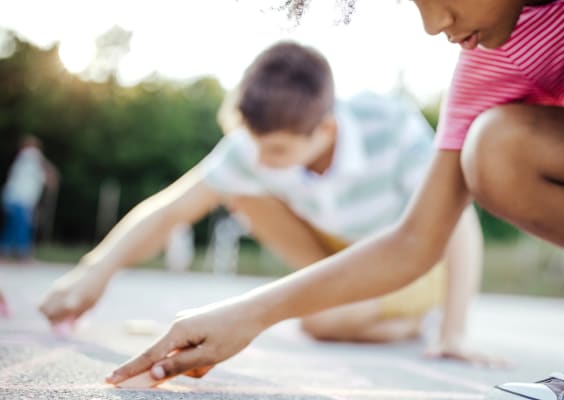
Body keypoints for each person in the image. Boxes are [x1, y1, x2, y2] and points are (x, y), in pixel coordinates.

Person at [108, 1, 564, 399]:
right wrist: (246, 313)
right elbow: (416, 242)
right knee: (496, 153)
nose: (431, 22)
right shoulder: (490, 60)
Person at [38, 42, 495, 364]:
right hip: (335, 248)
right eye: (254, 145)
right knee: (238, 190)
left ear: (326, 131)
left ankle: (408, 322)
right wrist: (95, 270)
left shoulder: (390, 126)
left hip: (405, 254)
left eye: (276, 151)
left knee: (321, 323)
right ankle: (348, 310)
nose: (259, 159)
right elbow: (174, 207)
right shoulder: (254, 145)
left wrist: (455, 331)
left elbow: (458, 219)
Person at [1, 136, 57, 261]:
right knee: (23, 226)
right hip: (20, 199)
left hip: (15, 199)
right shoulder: (30, 155)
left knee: (13, 226)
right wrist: (52, 173)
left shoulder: (27, 164)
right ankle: (23, 255)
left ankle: (5, 252)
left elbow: (45, 179)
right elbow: (48, 172)